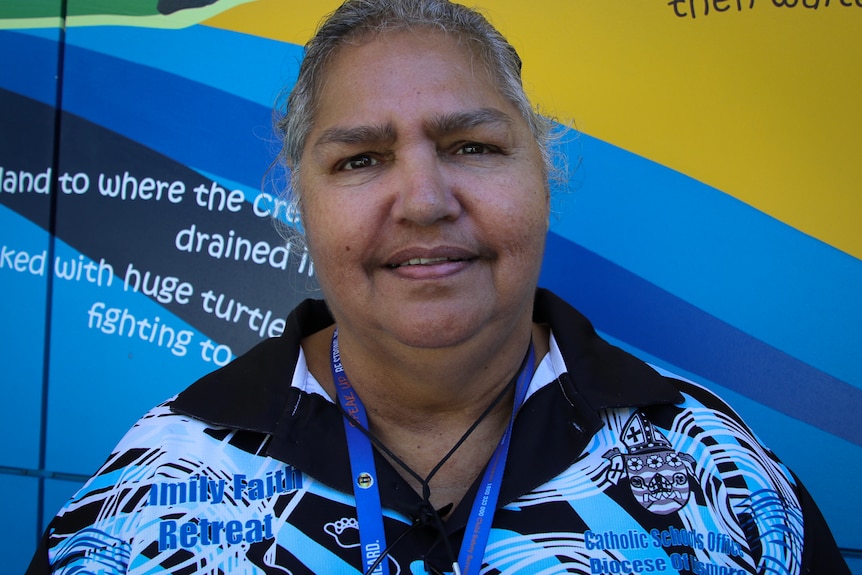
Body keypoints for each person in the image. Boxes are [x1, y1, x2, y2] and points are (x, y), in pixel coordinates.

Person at [28, 0, 850, 573]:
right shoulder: (143, 499)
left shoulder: (722, 481)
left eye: (471, 146)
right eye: (361, 159)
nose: (424, 201)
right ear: (299, 200)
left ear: (545, 173)